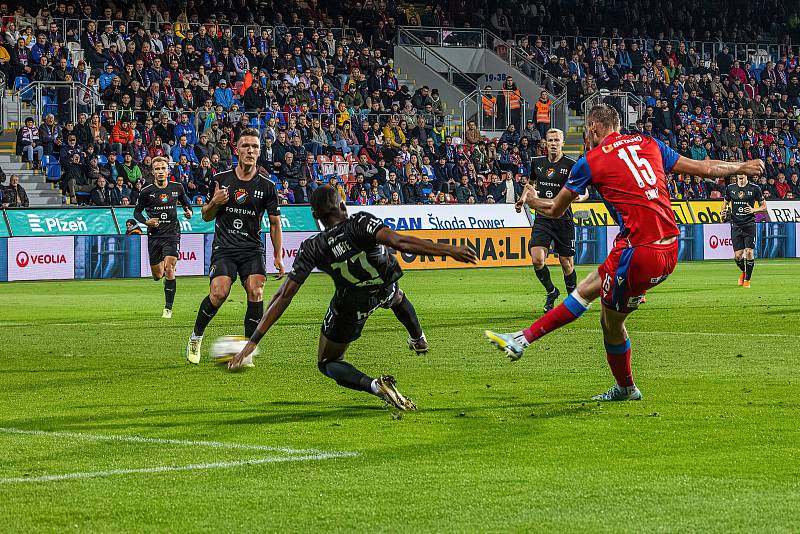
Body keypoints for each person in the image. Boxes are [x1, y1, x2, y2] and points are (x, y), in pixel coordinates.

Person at [485, 104, 764, 401]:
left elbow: (554, 209)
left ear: (593, 128)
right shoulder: (649, 143)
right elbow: (707, 168)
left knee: (610, 321)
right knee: (591, 291)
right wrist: (742, 167)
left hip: (639, 252)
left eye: (586, 132)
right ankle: (524, 339)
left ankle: (620, 385)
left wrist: (530, 200)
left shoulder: (590, 161)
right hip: (668, 246)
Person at [227, 186, 478, 411]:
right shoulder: (361, 222)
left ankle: (377, 387)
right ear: (343, 206)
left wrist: (253, 341)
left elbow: (284, 295)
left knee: (328, 361)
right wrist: (450, 250)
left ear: (316, 217)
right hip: (382, 286)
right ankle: (418, 338)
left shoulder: (313, 247)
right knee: (397, 296)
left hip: (350, 304)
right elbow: (399, 242)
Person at [186, 129, 284, 365]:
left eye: (255, 147)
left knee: (256, 291)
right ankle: (196, 336)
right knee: (219, 293)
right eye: (245, 146)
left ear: (260, 152)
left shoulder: (268, 186)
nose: (250, 150)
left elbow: (274, 223)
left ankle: (247, 351)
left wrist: (278, 256)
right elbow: (207, 216)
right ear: (236, 150)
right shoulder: (221, 180)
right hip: (225, 247)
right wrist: (214, 202)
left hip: (251, 249)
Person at [525, 129, 582, 312]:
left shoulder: (572, 165)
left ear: (562, 143)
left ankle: (572, 301)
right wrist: (523, 198)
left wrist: (579, 197)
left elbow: (584, 190)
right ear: (545, 143)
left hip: (563, 219)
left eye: (556, 140)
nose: (553, 143)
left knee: (566, 263)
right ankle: (551, 291)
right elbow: (530, 184)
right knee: (537, 259)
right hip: (543, 217)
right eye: (550, 140)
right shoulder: (536, 163)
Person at [133, 157, 194, 319]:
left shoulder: (178, 187)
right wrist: (146, 221)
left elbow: (187, 204)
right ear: (153, 172)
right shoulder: (146, 191)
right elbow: (136, 212)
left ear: (168, 171)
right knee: (157, 275)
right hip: (155, 236)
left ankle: (168, 308)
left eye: (163, 169)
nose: (160, 172)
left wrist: (189, 212)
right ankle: (165, 277)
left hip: (172, 234)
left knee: (169, 269)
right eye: (157, 169)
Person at [722, 175, 767, 288]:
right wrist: (723, 211)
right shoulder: (730, 188)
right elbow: (725, 202)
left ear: (746, 175)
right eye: (739, 174)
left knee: (749, 252)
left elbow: (764, 207)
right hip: (736, 224)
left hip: (749, 224)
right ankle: (744, 271)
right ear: (737, 175)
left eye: (743, 173)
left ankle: (747, 280)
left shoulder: (754, 188)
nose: (741, 176)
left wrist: (753, 210)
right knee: (738, 256)